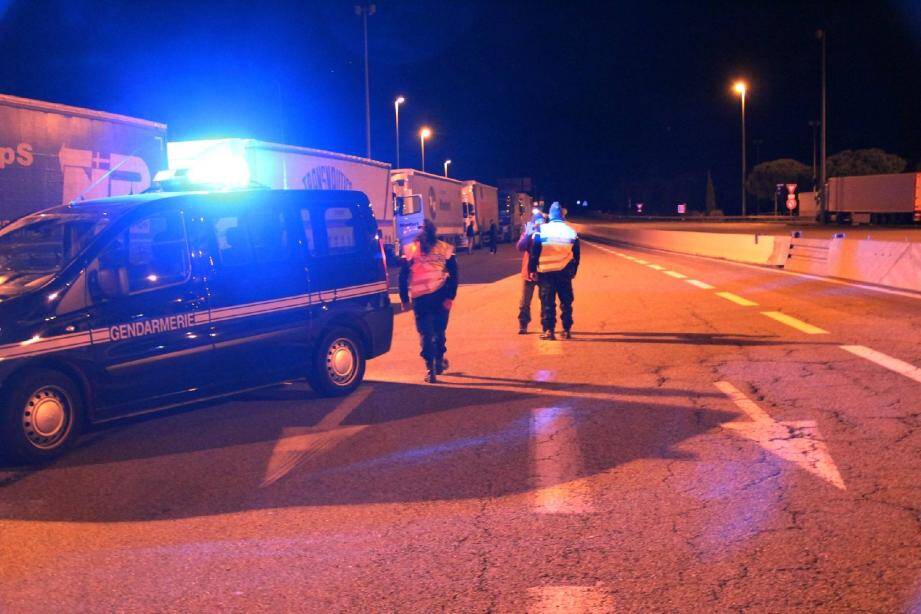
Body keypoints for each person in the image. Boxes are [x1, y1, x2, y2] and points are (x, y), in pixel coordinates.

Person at [399, 219, 458, 383]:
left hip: (420, 298)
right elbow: (454, 275)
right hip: (440, 295)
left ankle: (430, 368)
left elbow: (403, 275)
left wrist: (404, 298)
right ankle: (438, 361)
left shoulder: (411, 249)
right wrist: (450, 297)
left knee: (425, 333)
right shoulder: (444, 248)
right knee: (439, 331)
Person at [529, 202, 580, 340]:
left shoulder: (541, 230)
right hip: (564, 272)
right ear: (562, 216)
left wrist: (532, 270)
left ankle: (549, 331)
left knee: (547, 302)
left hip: (546, 272)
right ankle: (567, 329)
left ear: (550, 215)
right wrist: (574, 270)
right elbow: (577, 254)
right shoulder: (571, 231)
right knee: (566, 301)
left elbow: (534, 252)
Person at [516, 211, 544, 334]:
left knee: (545, 300)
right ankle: (523, 324)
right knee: (524, 302)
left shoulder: (546, 234)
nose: (538, 224)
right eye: (536, 222)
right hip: (528, 273)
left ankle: (546, 325)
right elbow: (520, 247)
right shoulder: (528, 233)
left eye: (540, 222)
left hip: (544, 271)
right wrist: (528, 233)